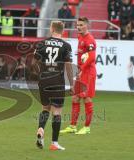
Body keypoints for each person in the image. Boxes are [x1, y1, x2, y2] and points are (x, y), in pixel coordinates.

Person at [34, 21, 73, 151]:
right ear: (62, 30)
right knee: (57, 111)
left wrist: (42, 73)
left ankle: (40, 129)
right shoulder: (66, 46)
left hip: (44, 79)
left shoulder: (41, 43)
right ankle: (54, 143)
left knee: (45, 108)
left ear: (51, 29)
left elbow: (35, 62)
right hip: (57, 80)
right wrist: (72, 84)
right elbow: (68, 66)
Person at [60, 17, 97, 135]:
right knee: (75, 98)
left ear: (87, 25)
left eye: (81, 25)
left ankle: (87, 127)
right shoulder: (80, 36)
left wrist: (82, 69)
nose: (78, 27)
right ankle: (72, 126)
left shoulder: (90, 39)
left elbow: (92, 57)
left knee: (86, 98)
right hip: (82, 70)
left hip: (88, 72)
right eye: (77, 25)